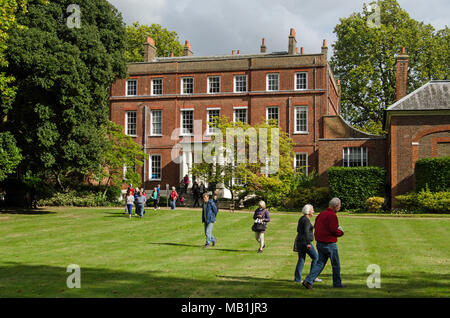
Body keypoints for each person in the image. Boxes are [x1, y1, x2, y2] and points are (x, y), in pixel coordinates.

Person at [302, 198, 345, 289]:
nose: (339, 208)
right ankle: (337, 284)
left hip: (320, 243)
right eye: (339, 206)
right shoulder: (332, 216)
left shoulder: (321, 214)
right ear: (336, 206)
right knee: (335, 264)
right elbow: (333, 230)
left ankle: (309, 280)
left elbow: (316, 227)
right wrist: (341, 232)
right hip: (329, 243)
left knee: (320, 263)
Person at [294, 204, 321, 284]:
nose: (313, 211)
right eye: (312, 210)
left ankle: (297, 279)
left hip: (300, 241)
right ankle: (313, 277)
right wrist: (308, 243)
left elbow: (299, 230)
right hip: (305, 242)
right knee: (316, 257)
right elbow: (306, 232)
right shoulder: (306, 220)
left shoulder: (302, 218)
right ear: (308, 211)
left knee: (301, 259)